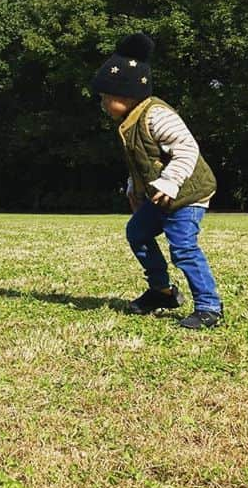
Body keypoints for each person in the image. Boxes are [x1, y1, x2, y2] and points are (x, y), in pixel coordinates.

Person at [92, 33, 224, 329]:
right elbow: (140, 161)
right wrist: (133, 187)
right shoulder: (130, 122)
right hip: (161, 195)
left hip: (187, 194)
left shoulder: (157, 115)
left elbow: (187, 149)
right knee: (137, 232)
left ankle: (209, 307)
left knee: (183, 248)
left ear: (125, 95)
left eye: (105, 98)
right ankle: (161, 292)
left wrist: (169, 183)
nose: (101, 104)